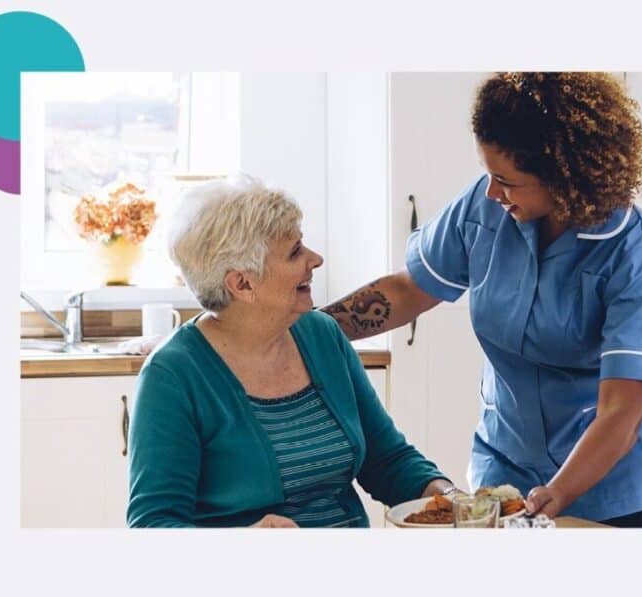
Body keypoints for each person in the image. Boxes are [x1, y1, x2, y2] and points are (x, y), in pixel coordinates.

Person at [323, 72, 642, 527]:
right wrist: (309, 328)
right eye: (488, 175)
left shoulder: (636, 257)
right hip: (507, 465)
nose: (492, 192)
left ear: (563, 177)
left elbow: (621, 415)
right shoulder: (485, 205)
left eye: (506, 181)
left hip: (613, 487)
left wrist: (559, 492)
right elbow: (409, 289)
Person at [127, 174, 456, 528]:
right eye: (295, 251)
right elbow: (153, 524)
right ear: (243, 283)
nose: (315, 260)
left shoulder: (322, 335)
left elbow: (387, 460)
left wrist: (447, 497)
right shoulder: (174, 375)